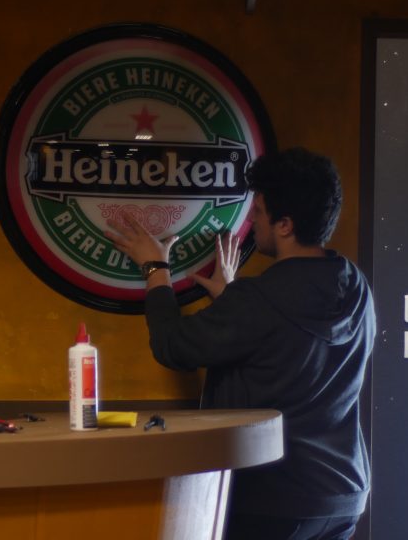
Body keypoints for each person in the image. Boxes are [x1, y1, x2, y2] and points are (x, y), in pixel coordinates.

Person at [105, 147, 375, 540]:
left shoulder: (258, 299)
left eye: (259, 211)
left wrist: (156, 268)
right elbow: (294, 343)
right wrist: (230, 299)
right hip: (342, 496)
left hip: (272, 499)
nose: (251, 219)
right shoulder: (356, 285)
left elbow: (172, 345)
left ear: (285, 225)